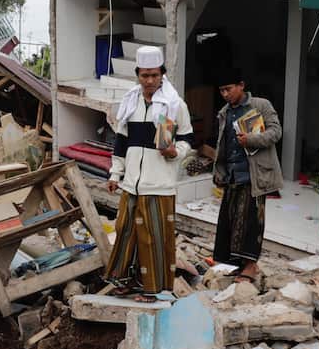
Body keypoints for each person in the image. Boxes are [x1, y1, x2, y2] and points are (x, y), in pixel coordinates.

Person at [105, 45, 195, 295]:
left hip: (159, 184)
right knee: (126, 232)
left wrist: (175, 152)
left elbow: (188, 139)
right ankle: (124, 282)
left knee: (153, 237)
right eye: (145, 75)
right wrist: (115, 173)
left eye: (155, 75)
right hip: (131, 183)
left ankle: (153, 288)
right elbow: (121, 142)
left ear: (162, 74)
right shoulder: (130, 103)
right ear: (137, 74)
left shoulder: (175, 105)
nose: (150, 80)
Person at [212, 70, 283, 283]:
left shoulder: (260, 105)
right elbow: (222, 144)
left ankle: (251, 267)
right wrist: (219, 171)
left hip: (255, 174)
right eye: (222, 90)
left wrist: (252, 139)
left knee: (252, 221)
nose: (225, 94)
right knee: (232, 221)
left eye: (229, 89)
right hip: (232, 174)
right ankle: (240, 265)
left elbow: (276, 132)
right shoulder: (224, 112)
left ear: (241, 85)